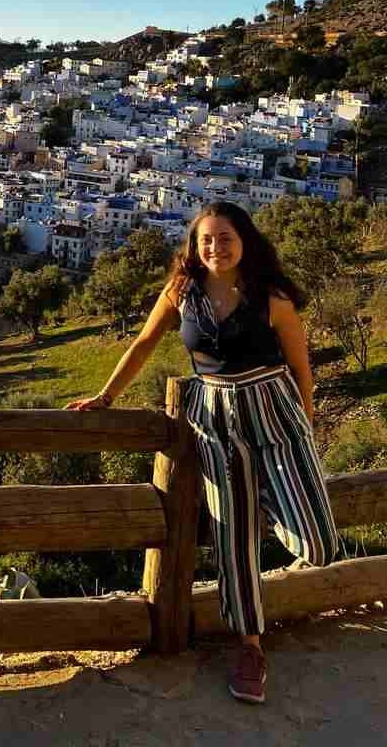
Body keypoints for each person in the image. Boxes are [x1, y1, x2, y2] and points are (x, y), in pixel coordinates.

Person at [65, 201, 339, 705]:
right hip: (213, 415)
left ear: (245, 242)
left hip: (275, 411)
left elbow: (302, 370)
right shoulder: (181, 293)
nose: (215, 247)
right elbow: (143, 344)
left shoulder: (272, 299)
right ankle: (250, 647)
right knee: (233, 543)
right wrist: (105, 396)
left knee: (317, 545)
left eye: (225, 238)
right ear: (194, 246)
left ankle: (261, 503)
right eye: (206, 239)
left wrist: (307, 422)